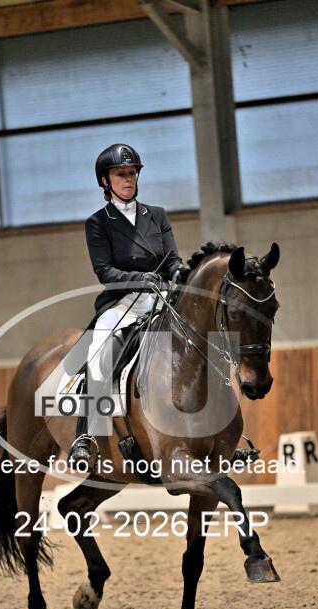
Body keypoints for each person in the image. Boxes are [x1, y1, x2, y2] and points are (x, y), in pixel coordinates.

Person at [67, 143, 189, 470]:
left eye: (132, 173)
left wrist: (179, 272)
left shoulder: (157, 215)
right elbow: (105, 272)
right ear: (105, 181)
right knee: (100, 350)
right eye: (121, 174)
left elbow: (172, 259)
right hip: (123, 302)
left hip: (161, 299)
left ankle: (218, 430)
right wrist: (139, 279)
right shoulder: (98, 223)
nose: (129, 179)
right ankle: (86, 436)